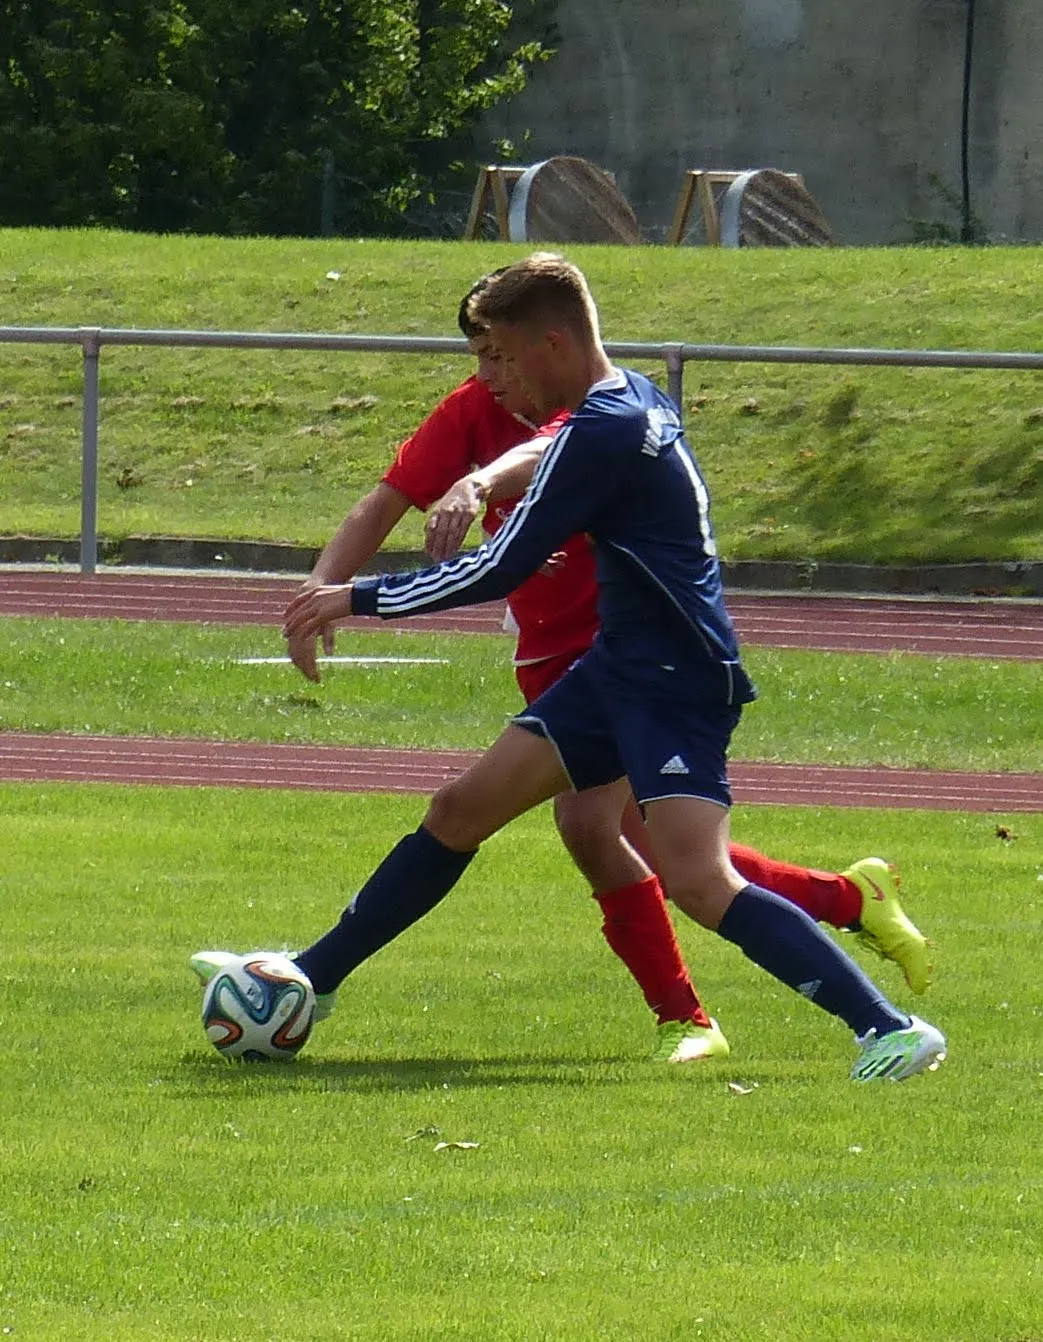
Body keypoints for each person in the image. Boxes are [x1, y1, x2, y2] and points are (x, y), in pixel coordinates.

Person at [195, 254, 943, 1080]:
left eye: (505, 359)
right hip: (616, 669)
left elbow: (499, 567)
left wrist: (354, 599)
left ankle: (887, 1028)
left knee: (697, 879)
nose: (496, 381)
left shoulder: (604, 430)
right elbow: (526, 491)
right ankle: (312, 977)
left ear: (551, 344)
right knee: (459, 811)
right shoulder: (628, 401)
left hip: (673, 680)